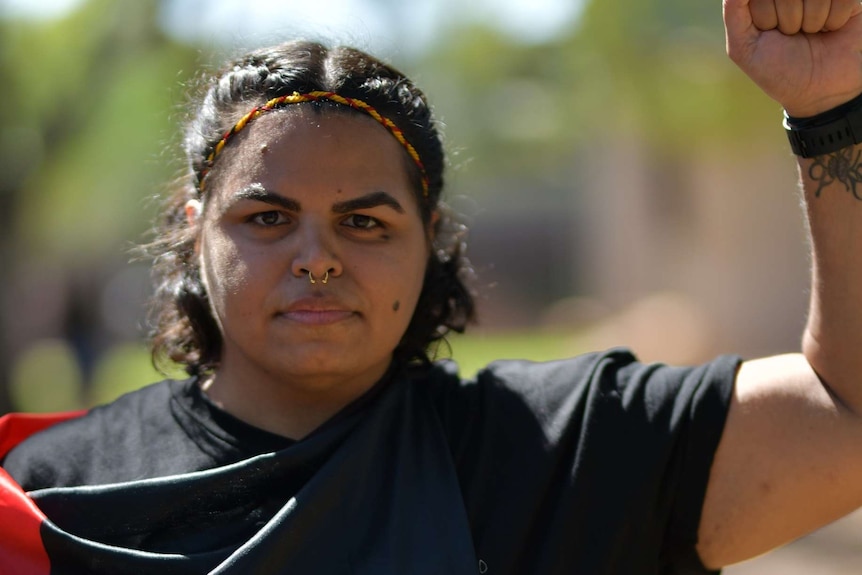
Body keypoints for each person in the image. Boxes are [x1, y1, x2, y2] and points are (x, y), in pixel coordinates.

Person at [2, 0, 862, 572]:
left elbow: (846, 415)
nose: (318, 257)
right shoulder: (49, 491)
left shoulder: (556, 453)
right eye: (267, 218)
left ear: (434, 241)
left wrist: (834, 113)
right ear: (194, 230)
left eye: (365, 221)